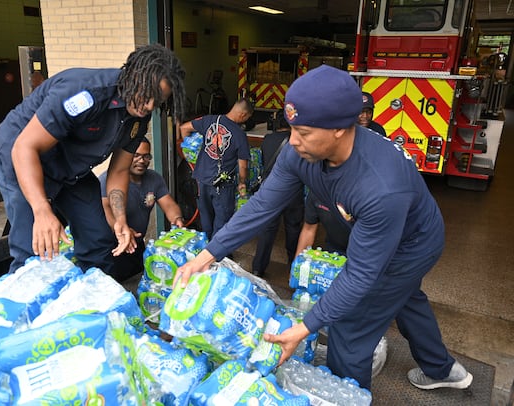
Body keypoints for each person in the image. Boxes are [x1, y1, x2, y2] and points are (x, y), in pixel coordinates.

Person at [175, 65, 472, 392]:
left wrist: (304, 328)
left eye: (303, 132)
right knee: (403, 297)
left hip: (411, 245)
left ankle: (345, 397)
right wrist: (206, 255)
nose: (293, 141)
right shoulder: (299, 151)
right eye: (291, 129)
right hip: (380, 232)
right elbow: (263, 206)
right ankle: (443, 370)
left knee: (350, 328)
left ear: (340, 130)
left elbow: (360, 275)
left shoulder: (380, 186)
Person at [0, 43, 186, 278]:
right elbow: (25, 147)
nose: (150, 106)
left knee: (99, 237)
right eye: (150, 96)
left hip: (68, 166)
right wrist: (42, 211)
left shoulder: (137, 117)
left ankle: (91, 303)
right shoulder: (85, 92)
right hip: (21, 155)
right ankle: (21, 308)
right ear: (134, 75)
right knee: (34, 249)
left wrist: (120, 220)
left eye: (160, 101)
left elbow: (120, 171)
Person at [97, 138, 184, 281]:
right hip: (112, 245)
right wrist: (119, 229)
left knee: (141, 280)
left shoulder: (154, 178)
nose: (142, 160)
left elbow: (168, 204)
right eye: (136, 155)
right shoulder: (107, 179)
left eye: (146, 156)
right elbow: (104, 207)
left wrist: (177, 219)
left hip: (137, 244)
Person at [179, 98, 253, 240]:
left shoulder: (209, 120)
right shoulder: (239, 134)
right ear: (243, 115)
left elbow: (184, 128)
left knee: (205, 216)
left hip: (201, 178)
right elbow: (243, 165)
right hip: (223, 184)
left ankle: (206, 248)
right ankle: (218, 254)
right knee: (223, 219)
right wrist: (242, 183)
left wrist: (189, 153)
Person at [251, 112, 304, 276]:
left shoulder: (267, 139)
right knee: (293, 228)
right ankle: (292, 263)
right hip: (293, 191)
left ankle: (258, 267)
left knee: (267, 229)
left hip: (271, 190)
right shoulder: (297, 141)